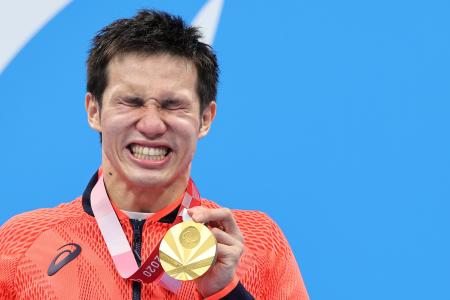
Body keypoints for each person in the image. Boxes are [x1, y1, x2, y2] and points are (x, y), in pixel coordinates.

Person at [0, 9, 309, 300]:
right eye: (131, 102)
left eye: (173, 104)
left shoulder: (258, 242)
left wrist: (225, 292)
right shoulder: (20, 243)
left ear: (205, 119)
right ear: (94, 111)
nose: (150, 124)